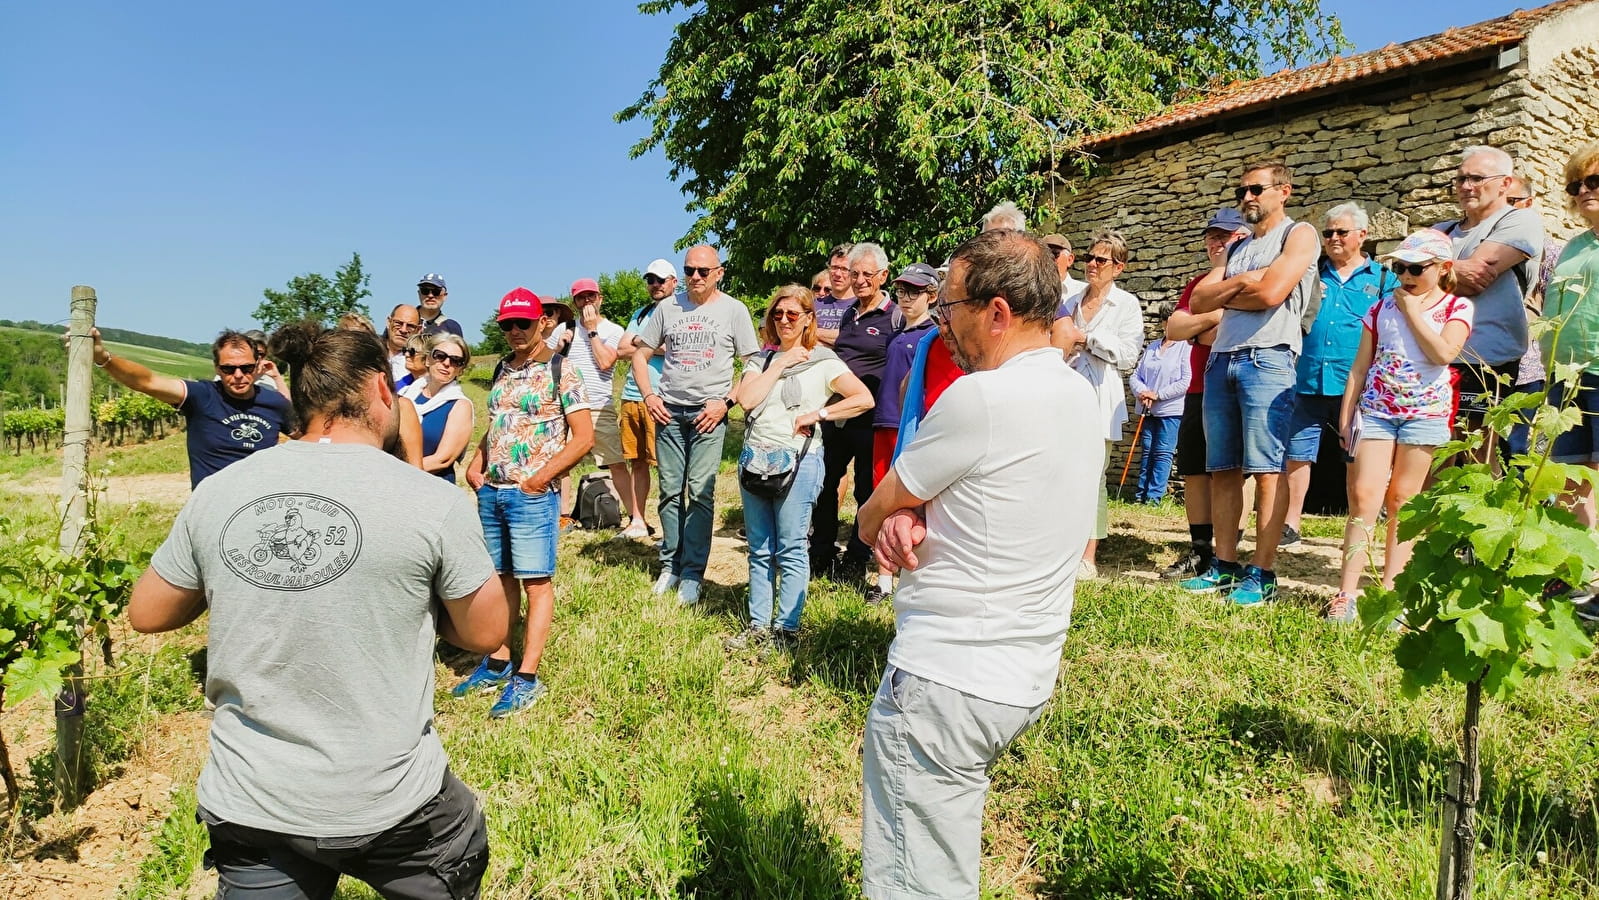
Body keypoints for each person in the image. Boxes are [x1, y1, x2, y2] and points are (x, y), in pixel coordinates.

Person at [127, 323, 508, 899]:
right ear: (384, 390)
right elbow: (486, 632)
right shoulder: (431, 501)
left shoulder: (221, 490)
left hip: (252, 803)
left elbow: (148, 612)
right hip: (391, 803)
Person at [855, 228, 1099, 899]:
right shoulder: (1079, 397)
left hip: (945, 676)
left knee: (915, 882)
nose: (942, 326)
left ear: (994, 313)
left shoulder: (979, 399)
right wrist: (917, 510)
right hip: (1020, 674)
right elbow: (1000, 497)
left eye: (949, 308)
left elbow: (870, 513)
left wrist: (898, 512)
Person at [1183, 160, 1320, 606]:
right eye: (1241, 191)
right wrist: (1245, 279)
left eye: (1256, 189)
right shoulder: (1237, 246)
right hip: (1221, 359)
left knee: (1266, 469)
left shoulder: (1298, 235)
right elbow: (1200, 297)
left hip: (1269, 358)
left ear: (1284, 191)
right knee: (1223, 468)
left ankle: (1261, 571)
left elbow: (1273, 294)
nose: (1247, 198)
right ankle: (1223, 564)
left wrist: (1238, 289)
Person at [457, 288, 593, 718]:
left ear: (543, 323)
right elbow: (501, 424)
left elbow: (584, 438)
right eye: (507, 325)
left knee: (535, 583)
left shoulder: (561, 369)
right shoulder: (500, 368)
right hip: (493, 491)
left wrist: (540, 478)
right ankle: (498, 661)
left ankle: (527, 676)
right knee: (499, 581)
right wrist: (476, 463)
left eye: (523, 323)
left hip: (530, 495)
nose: (515, 331)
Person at [1332, 230, 1473, 622]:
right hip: (1377, 411)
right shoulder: (1379, 309)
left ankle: (1392, 595)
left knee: (1404, 502)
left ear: (1443, 268)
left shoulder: (1456, 307)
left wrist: (1412, 311)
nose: (1406, 276)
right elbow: (1359, 367)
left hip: (1425, 414)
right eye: (1399, 267)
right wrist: (1347, 415)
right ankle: (1346, 593)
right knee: (1364, 498)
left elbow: (1444, 352)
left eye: (1416, 268)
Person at [726, 286, 873, 652]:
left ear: (809, 318)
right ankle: (759, 625)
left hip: (800, 461)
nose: (785, 321)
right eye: (778, 314)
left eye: (793, 314)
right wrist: (779, 364)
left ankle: (786, 629)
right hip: (756, 460)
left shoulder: (824, 361)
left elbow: (863, 398)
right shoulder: (760, 360)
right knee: (760, 547)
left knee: (791, 547)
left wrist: (819, 413)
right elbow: (746, 399)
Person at [630, 245, 761, 605]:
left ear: (719, 272)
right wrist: (649, 396)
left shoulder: (734, 310)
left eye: (704, 271)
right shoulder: (667, 308)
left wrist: (726, 402)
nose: (696, 277)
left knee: (701, 492)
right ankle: (670, 565)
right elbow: (640, 353)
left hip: (709, 414)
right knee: (671, 491)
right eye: (689, 270)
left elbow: (753, 362)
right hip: (668, 411)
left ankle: (692, 573)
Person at [1281, 203, 1396, 543]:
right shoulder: (1310, 272)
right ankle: (1291, 523)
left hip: (1358, 381)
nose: (1332, 238)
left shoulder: (1383, 279)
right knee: (1297, 454)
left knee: (1355, 454)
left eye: (1340, 232)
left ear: (1362, 235)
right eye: (1327, 232)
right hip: (1307, 376)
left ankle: (1358, 524)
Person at [1435, 146, 1544, 463]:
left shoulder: (1520, 221)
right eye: (1461, 179)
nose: (1467, 186)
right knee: (1432, 448)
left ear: (1505, 183)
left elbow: (1474, 279)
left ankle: (1474, 514)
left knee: (1475, 451)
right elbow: (1400, 277)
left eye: (1477, 178)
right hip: (1432, 353)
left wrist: (1430, 269)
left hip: (1483, 358)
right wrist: (1452, 269)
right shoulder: (1441, 229)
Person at [87, 328, 293, 488]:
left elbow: (308, 437)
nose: (238, 375)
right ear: (216, 368)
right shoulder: (202, 395)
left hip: (258, 506)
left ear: (257, 364)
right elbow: (147, 381)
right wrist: (103, 358)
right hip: (210, 508)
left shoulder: (274, 402)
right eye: (228, 369)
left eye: (246, 368)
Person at [1163, 210, 1250, 579]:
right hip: (1198, 386)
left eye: (1225, 237)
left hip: (1235, 385)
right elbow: (1175, 326)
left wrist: (1201, 327)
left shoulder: (1251, 280)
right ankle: (1200, 549)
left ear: (1243, 238)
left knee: (1234, 472)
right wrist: (1215, 319)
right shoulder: (1200, 284)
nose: (1216, 244)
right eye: (1212, 237)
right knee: (1195, 470)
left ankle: (1230, 549)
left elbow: (1233, 331)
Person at [1052, 230, 1143, 579]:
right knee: (1059, 473)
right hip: (1064, 392)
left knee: (1092, 476)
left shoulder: (1127, 304)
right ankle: (1061, 547)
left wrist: (1087, 338)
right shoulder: (1072, 299)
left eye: (1101, 260)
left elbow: (1127, 355)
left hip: (1098, 397)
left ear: (1118, 267)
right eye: (1090, 257)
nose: (1092, 264)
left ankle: (1088, 556)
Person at [812, 242, 902, 578]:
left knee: (867, 489)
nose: (860, 280)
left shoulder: (895, 317)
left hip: (872, 417)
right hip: (838, 414)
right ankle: (820, 552)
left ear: (883, 276)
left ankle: (857, 557)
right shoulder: (850, 314)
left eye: (867, 274)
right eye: (855, 273)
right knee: (825, 482)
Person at [863, 263, 940, 604]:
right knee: (879, 493)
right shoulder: (898, 333)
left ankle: (904, 574)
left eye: (915, 292)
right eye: (901, 291)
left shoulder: (930, 336)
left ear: (932, 296)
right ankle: (883, 579)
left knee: (903, 500)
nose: (906, 299)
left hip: (906, 427)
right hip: (883, 422)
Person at [1541, 142, 1599, 531]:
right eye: (1574, 186)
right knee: (1569, 471)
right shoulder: (1574, 246)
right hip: (1565, 372)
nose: (1582, 192)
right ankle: (1580, 564)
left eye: (1594, 180)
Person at [547, 278, 627, 521]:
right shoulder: (564, 329)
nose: (587, 301)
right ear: (575, 302)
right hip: (566, 406)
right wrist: (559, 347)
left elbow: (605, 363)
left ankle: (636, 517)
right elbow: (545, 363)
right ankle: (562, 517)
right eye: (581, 297)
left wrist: (592, 330)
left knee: (616, 463)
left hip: (599, 406)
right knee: (561, 463)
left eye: (591, 296)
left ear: (600, 298)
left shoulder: (614, 330)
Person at [1507, 177, 1566, 458]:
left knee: (1517, 447)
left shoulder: (1549, 252)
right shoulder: (1479, 246)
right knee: (1478, 445)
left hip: (1527, 366)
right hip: (1481, 364)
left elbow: (1562, 308)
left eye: (1511, 202)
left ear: (1528, 204)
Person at [616, 260, 674, 539]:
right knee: (636, 462)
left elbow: (677, 349)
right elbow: (621, 348)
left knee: (666, 463)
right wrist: (651, 345)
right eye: (650, 280)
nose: (655, 285)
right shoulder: (641, 313)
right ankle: (638, 520)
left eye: (661, 280)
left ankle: (670, 524)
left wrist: (642, 343)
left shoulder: (680, 312)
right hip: (631, 396)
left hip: (662, 397)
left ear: (674, 281)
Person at [401, 334, 475, 483]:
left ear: (460, 370)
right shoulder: (405, 394)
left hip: (432, 485)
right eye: (440, 356)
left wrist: (397, 472)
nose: (447, 363)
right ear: (428, 359)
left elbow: (442, 459)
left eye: (456, 361)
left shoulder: (459, 405)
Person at [1128, 333, 1191, 504]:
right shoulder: (1153, 346)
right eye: (1164, 321)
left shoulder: (1185, 346)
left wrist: (1158, 395)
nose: (1167, 327)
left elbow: (1186, 381)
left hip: (1171, 410)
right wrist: (1142, 392)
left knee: (1163, 453)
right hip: (1148, 409)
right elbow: (1135, 375)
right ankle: (1140, 495)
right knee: (1147, 451)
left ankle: (1153, 498)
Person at [814, 243, 857, 346]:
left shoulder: (862, 306)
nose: (837, 274)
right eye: (834, 267)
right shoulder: (813, 304)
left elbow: (855, 338)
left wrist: (813, 332)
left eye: (844, 269)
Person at [416, 273, 466, 338]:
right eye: (425, 290)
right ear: (419, 293)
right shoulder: (403, 320)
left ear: (445, 296)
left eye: (436, 291)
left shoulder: (450, 328)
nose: (430, 295)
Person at [1042, 233, 1086, 301]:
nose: (1048, 259)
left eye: (1054, 254)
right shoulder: (1028, 290)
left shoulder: (1083, 293)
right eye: (1043, 255)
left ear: (1069, 260)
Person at [384, 304, 422, 381]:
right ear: (388, 322)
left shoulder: (418, 364)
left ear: (418, 330)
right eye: (398, 323)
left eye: (410, 326)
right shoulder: (371, 351)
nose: (403, 330)